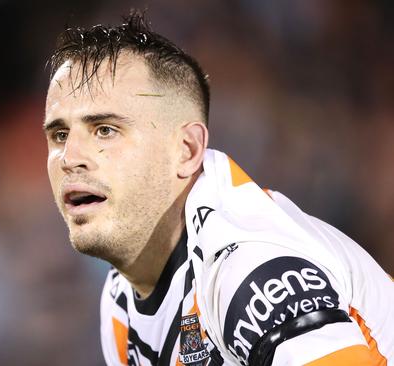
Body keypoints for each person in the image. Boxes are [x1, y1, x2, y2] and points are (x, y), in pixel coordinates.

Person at [42, 12, 393, 366]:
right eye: (59, 135)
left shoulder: (248, 270)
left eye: (105, 130)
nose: (70, 157)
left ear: (187, 150)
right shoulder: (121, 299)